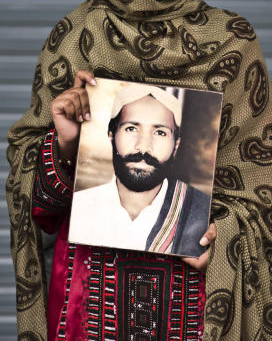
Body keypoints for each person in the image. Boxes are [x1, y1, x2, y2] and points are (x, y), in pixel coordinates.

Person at [6, 0, 272, 341]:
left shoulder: (230, 42)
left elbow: (264, 192)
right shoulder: (74, 38)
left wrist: (220, 240)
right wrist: (65, 140)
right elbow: (36, 205)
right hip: (86, 309)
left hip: (193, 304)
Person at [67, 82, 211, 257]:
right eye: (131, 128)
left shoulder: (202, 213)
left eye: (160, 132)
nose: (143, 147)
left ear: (176, 146)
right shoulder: (80, 208)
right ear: (111, 136)